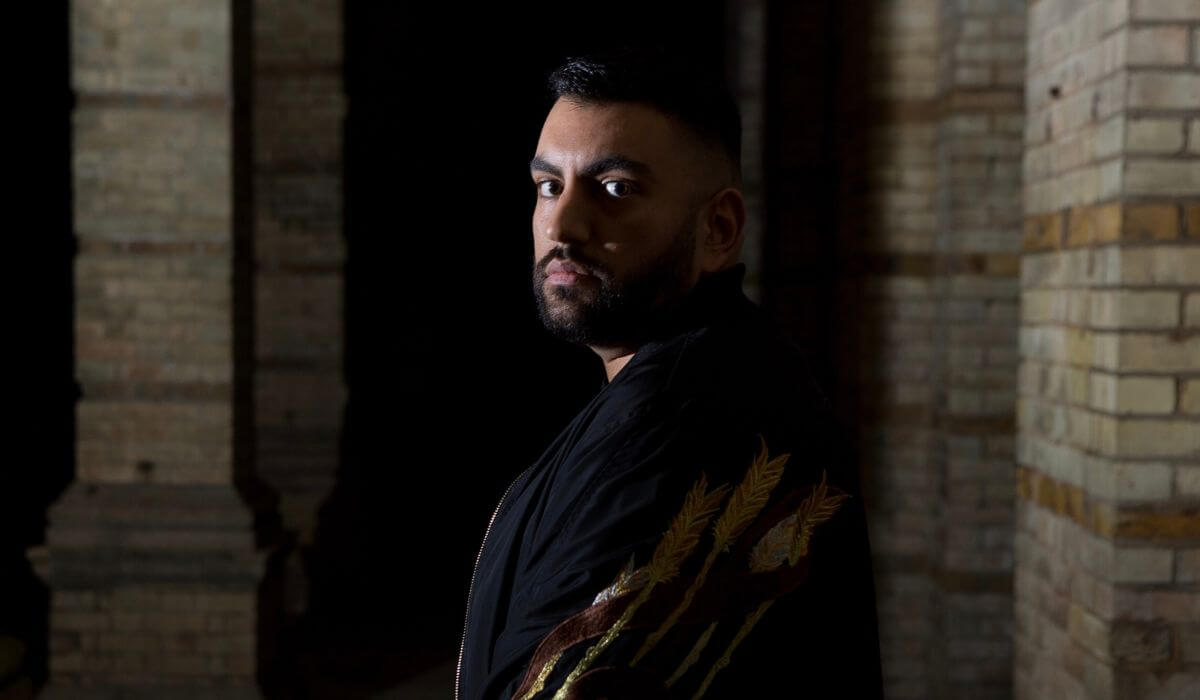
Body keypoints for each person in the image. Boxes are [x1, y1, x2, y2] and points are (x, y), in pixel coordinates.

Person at [456, 45, 883, 700]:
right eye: (549, 186)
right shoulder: (689, 377)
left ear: (718, 228)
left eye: (615, 188)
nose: (563, 224)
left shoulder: (682, 417)